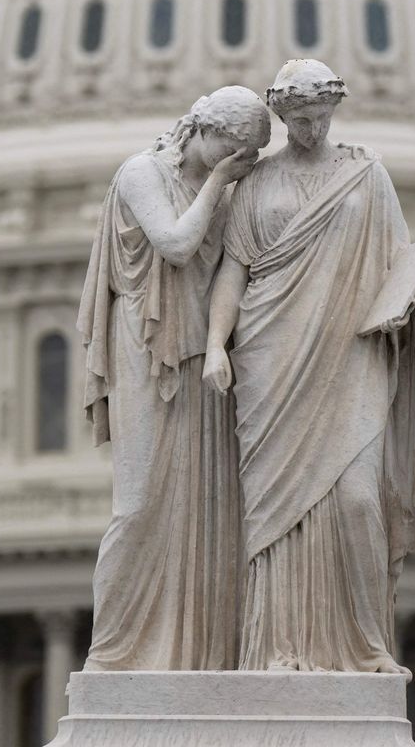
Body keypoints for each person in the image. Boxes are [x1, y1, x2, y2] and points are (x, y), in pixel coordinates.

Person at [205, 59, 415, 675]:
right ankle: (278, 648)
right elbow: (234, 268)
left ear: (334, 111)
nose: (310, 129)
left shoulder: (367, 177)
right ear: (281, 118)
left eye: (318, 118)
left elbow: (403, 264)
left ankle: (365, 645)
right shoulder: (257, 183)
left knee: (357, 502)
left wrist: (402, 305)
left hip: (352, 354)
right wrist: (215, 344)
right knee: (275, 512)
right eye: (297, 120)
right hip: (270, 358)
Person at [77, 86, 272, 671]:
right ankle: (114, 654)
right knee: (138, 507)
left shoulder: (227, 190)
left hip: (204, 363)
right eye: (236, 152)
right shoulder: (142, 173)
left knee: (205, 513)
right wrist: (221, 183)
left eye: (251, 158)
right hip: (146, 350)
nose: (242, 166)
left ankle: (197, 655)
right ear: (205, 132)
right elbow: (177, 244)